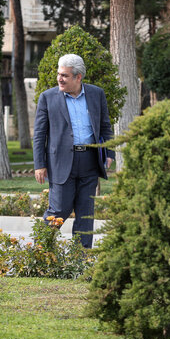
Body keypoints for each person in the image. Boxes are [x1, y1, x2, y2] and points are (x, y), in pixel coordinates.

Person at [33, 54, 114, 248]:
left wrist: (109, 152)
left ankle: (81, 257)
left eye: (65, 75)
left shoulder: (96, 94)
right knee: (59, 209)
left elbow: (105, 126)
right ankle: (39, 251)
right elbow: (39, 134)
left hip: (89, 160)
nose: (59, 79)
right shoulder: (47, 98)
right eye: (59, 74)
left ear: (78, 77)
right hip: (61, 162)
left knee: (85, 212)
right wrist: (39, 164)